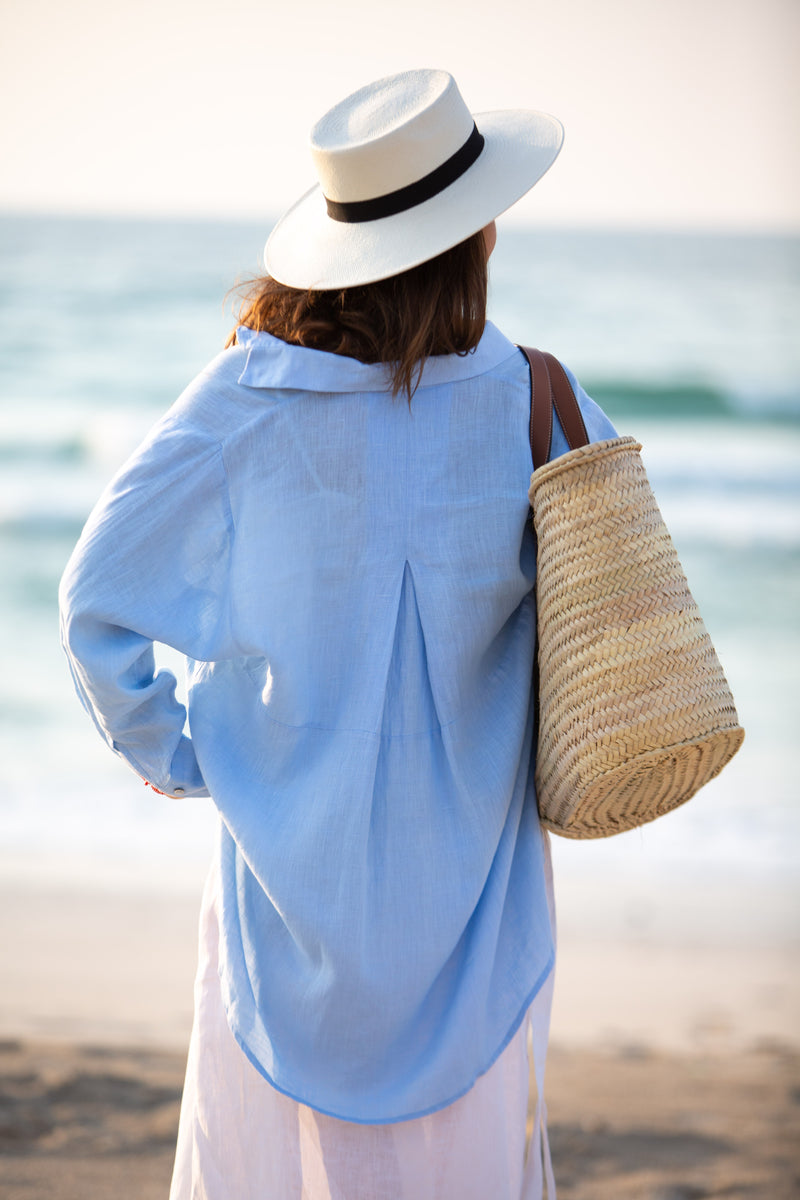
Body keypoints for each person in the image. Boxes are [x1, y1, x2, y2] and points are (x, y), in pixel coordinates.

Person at [59, 69, 616, 1199]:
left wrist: (175, 751)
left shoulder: (246, 401)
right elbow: (618, 591)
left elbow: (94, 598)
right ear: (476, 234)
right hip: (474, 896)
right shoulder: (530, 398)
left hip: (283, 882)